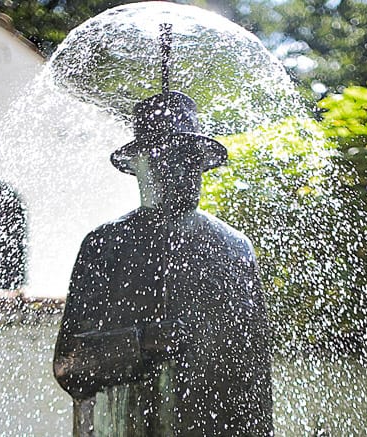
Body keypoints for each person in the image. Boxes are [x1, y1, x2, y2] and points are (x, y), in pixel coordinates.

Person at [53, 91, 272, 436]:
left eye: (191, 159)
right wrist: (141, 343)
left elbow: (256, 372)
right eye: (167, 158)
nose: (183, 171)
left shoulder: (235, 248)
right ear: (140, 166)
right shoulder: (105, 245)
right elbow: (69, 365)